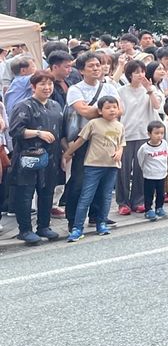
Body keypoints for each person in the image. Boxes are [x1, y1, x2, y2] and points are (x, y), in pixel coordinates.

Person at [64, 54, 122, 228]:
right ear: (81, 70)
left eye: (98, 65)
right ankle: (73, 219)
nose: (96, 68)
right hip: (83, 139)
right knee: (79, 180)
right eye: (91, 66)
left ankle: (97, 215)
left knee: (103, 179)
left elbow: (120, 110)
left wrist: (104, 110)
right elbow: (84, 111)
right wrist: (107, 110)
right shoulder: (75, 89)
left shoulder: (109, 87)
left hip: (107, 138)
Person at [9, 71, 65, 245]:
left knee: (47, 192)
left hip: (52, 156)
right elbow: (15, 131)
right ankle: (24, 230)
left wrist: (65, 153)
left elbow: (60, 132)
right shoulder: (23, 106)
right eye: (42, 84)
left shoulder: (55, 105)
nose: (47, 88)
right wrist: (38, 133)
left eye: (50, 84)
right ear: (33, 87)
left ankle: (44, 226)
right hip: (28, 157)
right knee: (25, 194)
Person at [64, 95, 125, 242]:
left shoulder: (119, 126)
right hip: (93, 166)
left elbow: (122, 143)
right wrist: (67, 153)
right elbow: (80, 140)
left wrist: (119, 153)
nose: (112, 110)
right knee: (86, 197)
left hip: (111, 166)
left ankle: (101, 223)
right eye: (108, 107)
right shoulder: (94, 124)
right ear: (99, 110)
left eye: (114, 107)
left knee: (106, 196)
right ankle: (77, 227)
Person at [116, 60, 163, 214]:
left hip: (144, 134)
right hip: (126, 134)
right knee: (123, 169)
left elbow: (157, 106)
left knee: (141, 169)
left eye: (142, 71)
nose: (140, 75)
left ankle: (138, 200)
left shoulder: (150, 89)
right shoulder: (121, 91)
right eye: (136, 72)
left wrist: (149, 90)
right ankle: (122, 202)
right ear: (129, 74)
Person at [137, 119, 168, 220]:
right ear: (149, 134)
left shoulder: (164, 143)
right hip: (150, 175)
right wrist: (146, 169)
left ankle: (159, 208)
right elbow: (140, 159)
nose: (159, 135)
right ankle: (148, 210)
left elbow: (166, 156)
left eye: (161, 133)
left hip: (162, 174)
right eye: (156, 133)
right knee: (149, 194)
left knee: (161, 193)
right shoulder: (144, 148)